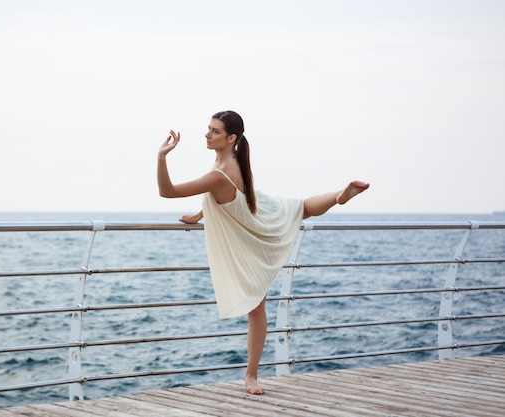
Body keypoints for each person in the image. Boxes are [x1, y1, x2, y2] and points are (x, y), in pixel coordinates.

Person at [157, 110, 369, 395]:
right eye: (208, 129)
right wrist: (199, 215)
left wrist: (162, 156)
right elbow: (219, 197)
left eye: (214, 131)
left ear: (231, 138)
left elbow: (167, 191)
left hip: (251, 227)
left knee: (256, 310)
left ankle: (251, 375)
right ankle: (337, 196)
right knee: (301, 207)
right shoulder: (232, 161)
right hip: (256, 209)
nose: (207, 134)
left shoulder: (220, 172)